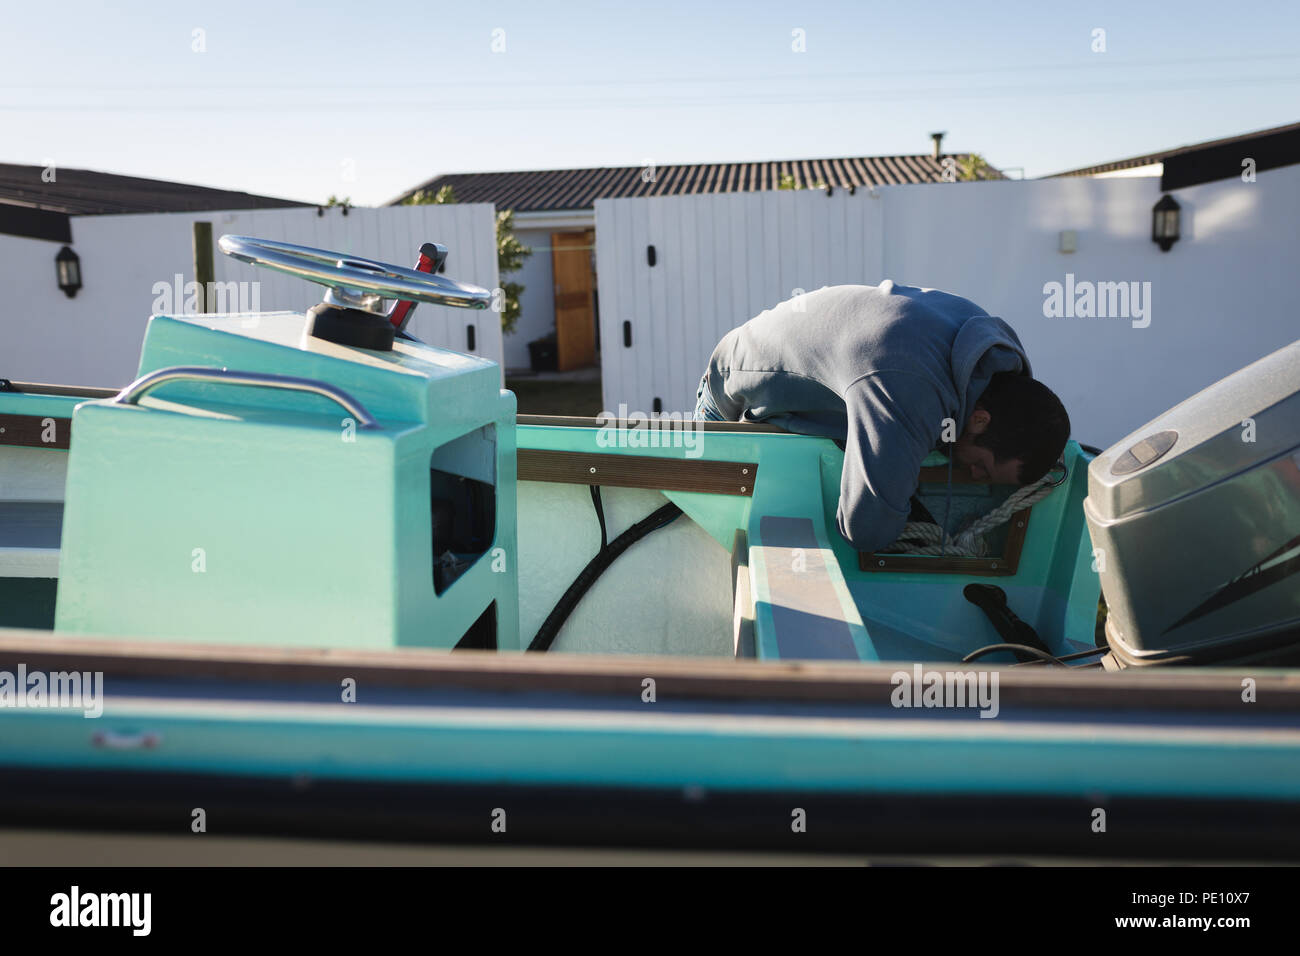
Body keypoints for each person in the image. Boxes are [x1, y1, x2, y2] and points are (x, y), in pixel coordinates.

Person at [694, 282, 1070, 553]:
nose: (974, 478)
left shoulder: (992, 356)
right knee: (702, 523)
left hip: (834, 372)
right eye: (982, 469)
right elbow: (865, 532)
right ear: (981, 420)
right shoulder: (909, 388)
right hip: (729, 391)